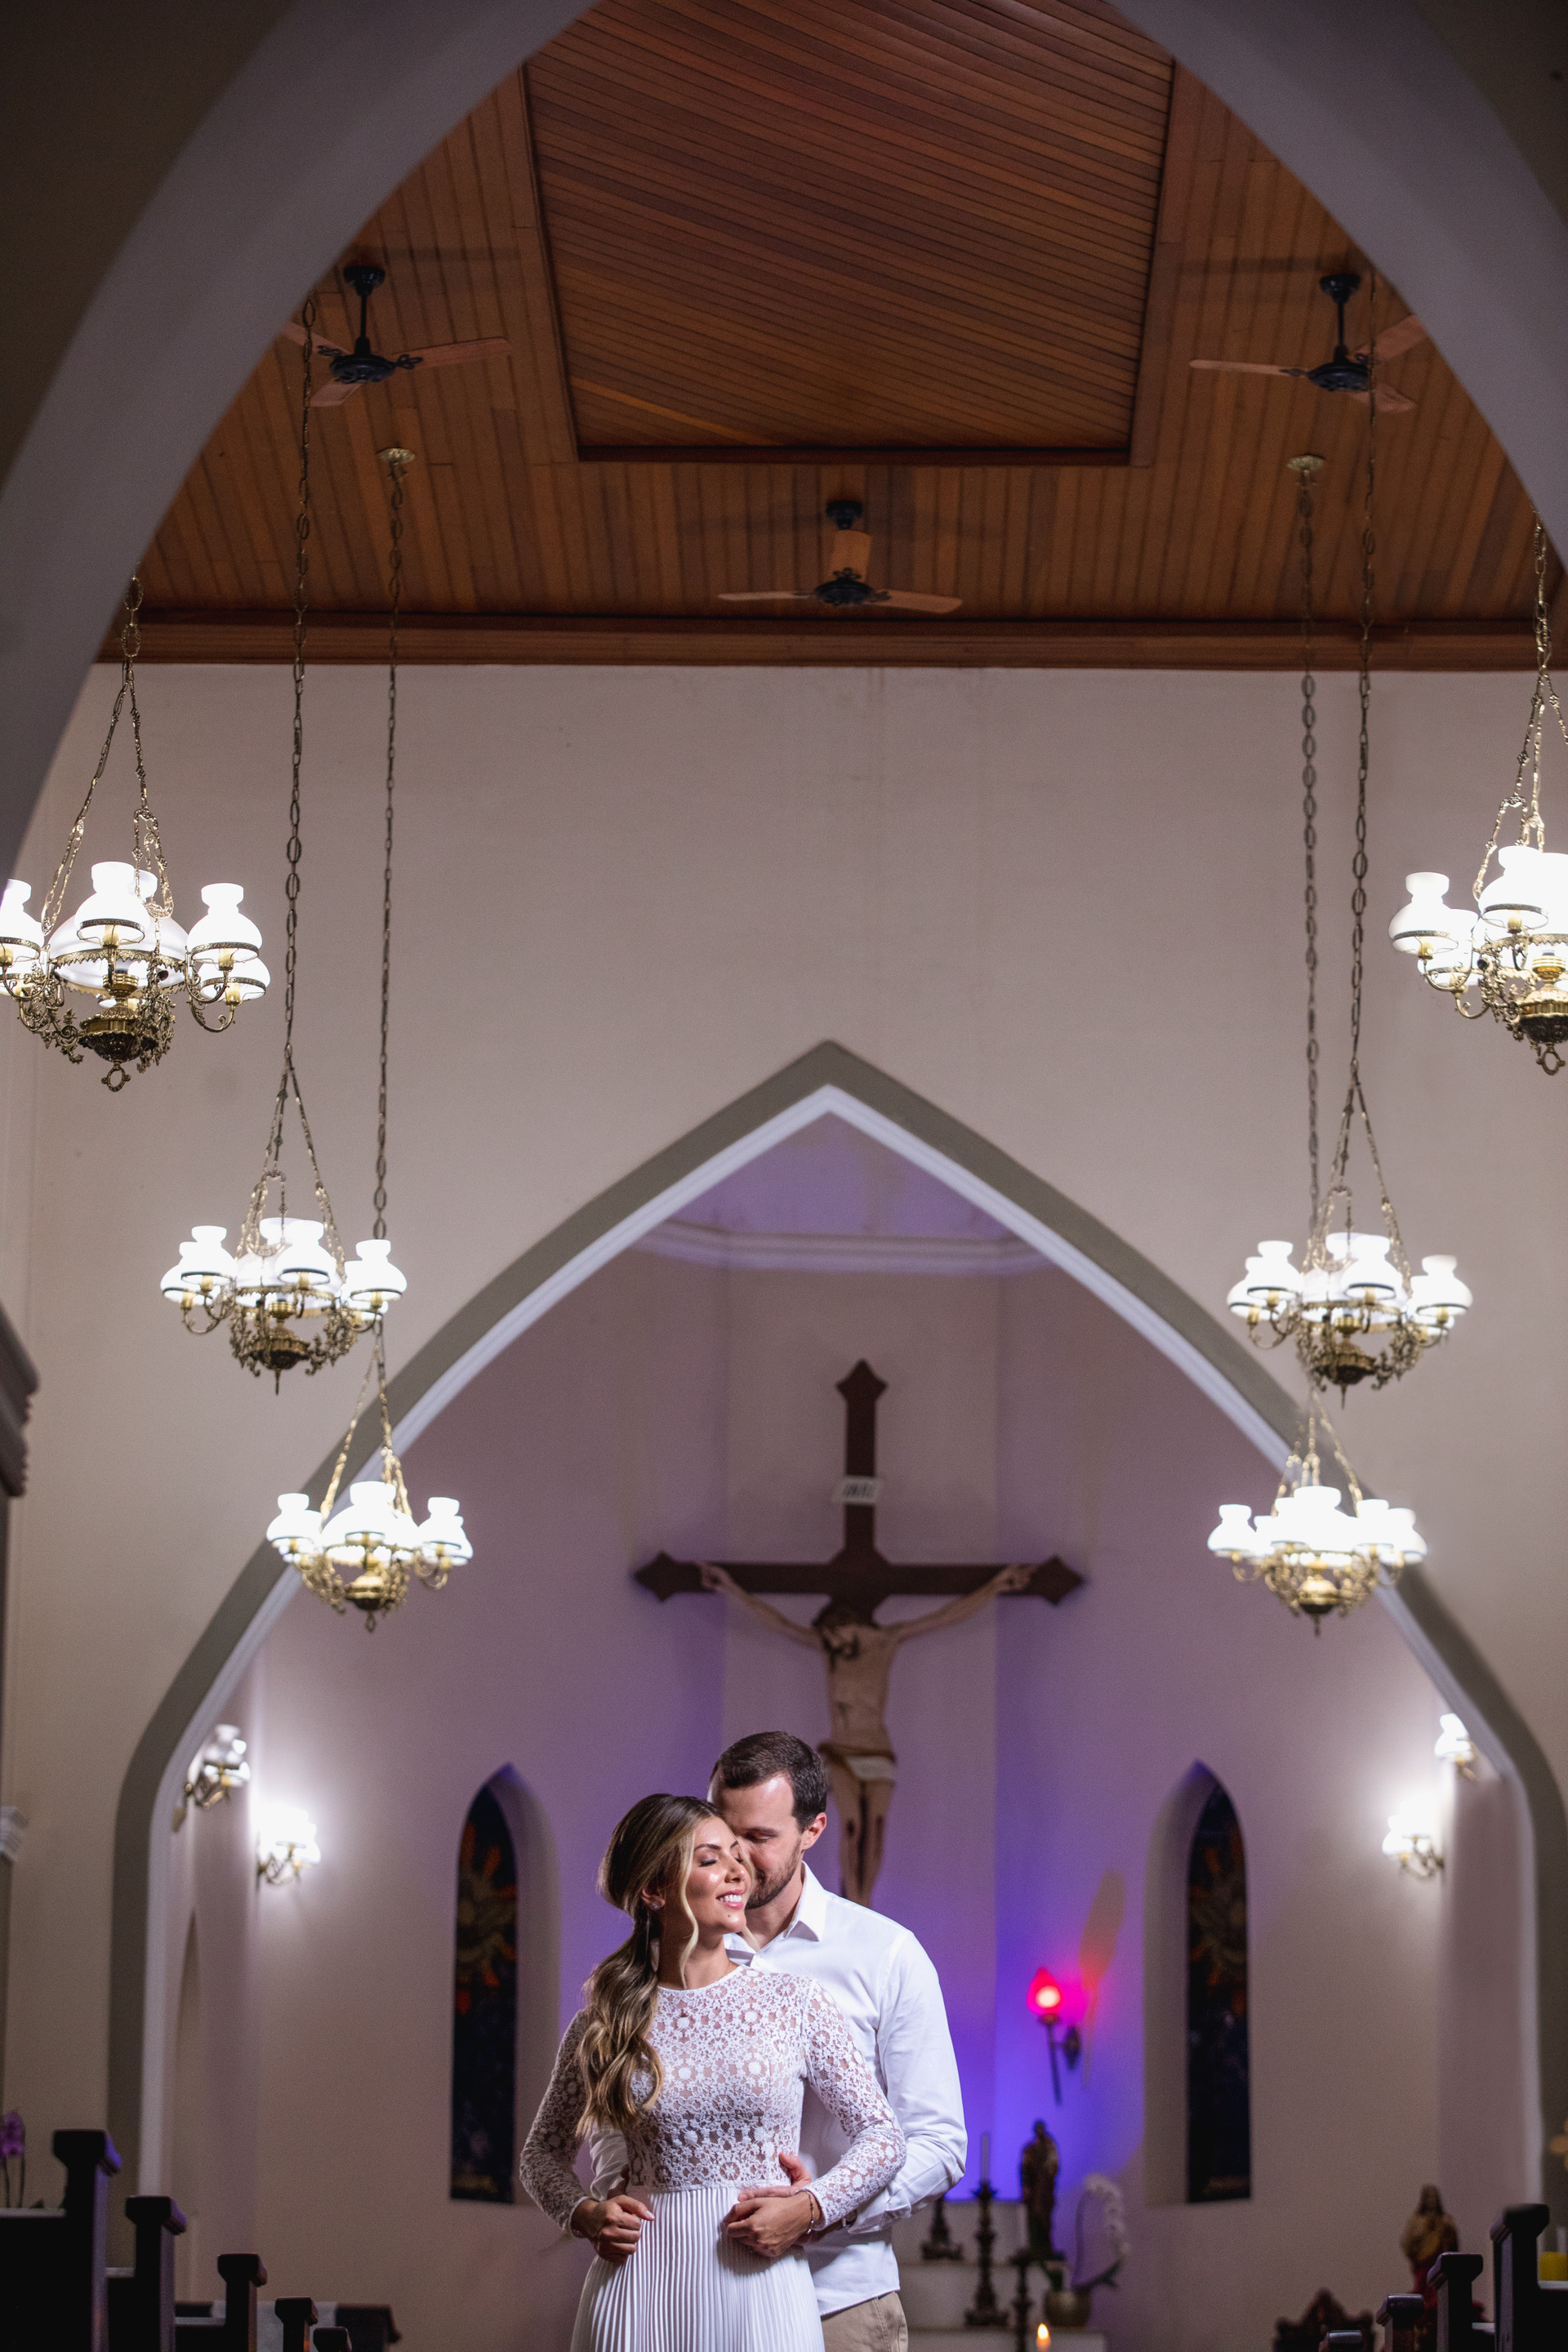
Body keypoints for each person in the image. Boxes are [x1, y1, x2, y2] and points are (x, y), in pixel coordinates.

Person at [519, 1790, 905, 2352]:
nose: (736, 1870)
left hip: (762, 2288)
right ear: (654, 1891)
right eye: (709, 1859)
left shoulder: (794, 2003)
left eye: (736, 1855)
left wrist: (812, 2206)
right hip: (640, 2287)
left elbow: (883, 2136)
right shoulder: (605, 2021)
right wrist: (584, 2214)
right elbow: (540, 2155)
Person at [709, 1731, 968, 2352]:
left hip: (837, 2300)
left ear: (814, 1830)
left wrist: (821, 2208)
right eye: (723, 1832)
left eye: (760, 1837)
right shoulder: (675, 1952)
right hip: (700, 2297)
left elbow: (939, 2142)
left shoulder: (886, 1954)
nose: (736, 1858)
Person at [699, 1565, 1031, 1904]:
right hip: (841, 1751)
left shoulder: (885, 1641)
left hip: (877, 1750)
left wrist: (995, 1586)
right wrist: (730, 1587)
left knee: (875, 1827)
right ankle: (853, 1897)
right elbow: (779, 1623)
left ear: (847, 1625)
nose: (830, 1643)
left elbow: (946, 1616)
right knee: (852, 1828)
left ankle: (865, 1900)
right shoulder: (830, 1648)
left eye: (834, 1634)